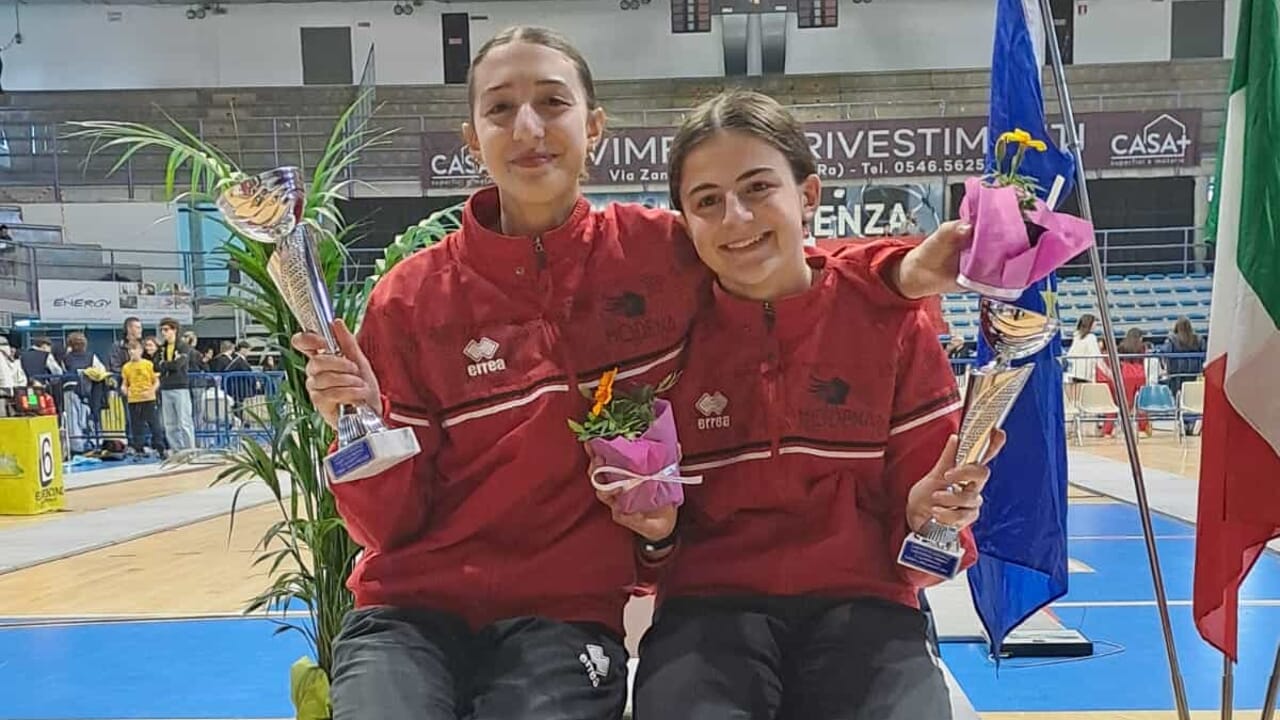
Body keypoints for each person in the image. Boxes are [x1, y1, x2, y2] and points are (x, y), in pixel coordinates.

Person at [294, 26, 974, 720]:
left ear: (594, 127)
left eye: (552, 102)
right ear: (472, 139)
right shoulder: (410, 300)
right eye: (500, 108)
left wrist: (901, 270)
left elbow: (784, 263)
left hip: (565, 613)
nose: (528, 127)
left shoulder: (657, 252)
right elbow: (388, 529)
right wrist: (361, 430)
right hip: (414, 611)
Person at [623, 90, 1003, 720]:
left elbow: (928, 563)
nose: (736, 218)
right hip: (707, 613)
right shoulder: (662, 338)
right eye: (707, 201)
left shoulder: (892, 323)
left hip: (867, 608)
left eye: (758, 188)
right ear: (683, 224)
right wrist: (652, 535)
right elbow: (643, 555)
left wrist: (927, 520)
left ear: (808, 195)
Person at [121, 340, 165, 458]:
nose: (132, 352)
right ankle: (139, 449)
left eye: (134, 349)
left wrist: (151, 391)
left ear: (140, 351)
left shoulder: (148, 364)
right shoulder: (126, 367)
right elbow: (125, 383)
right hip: (133, 399)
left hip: (148, 399)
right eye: (130, 350)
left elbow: (156, 381)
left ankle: (160, 448)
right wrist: (125, 390)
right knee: (136, 426)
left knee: (154, 425)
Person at [156, 317, 194, 450]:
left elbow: (178, 365)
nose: (163, 333)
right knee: (170, 423)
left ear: (175, 330)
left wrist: (165, 364)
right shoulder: (162, 348)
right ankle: (176, 450)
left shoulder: (183, 346)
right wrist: (167, 364)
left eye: (166, 330)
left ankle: (190, 450)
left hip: (180, 386)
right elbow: (156, 365)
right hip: (165, 387)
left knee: (184, 422)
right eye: (162, 330)